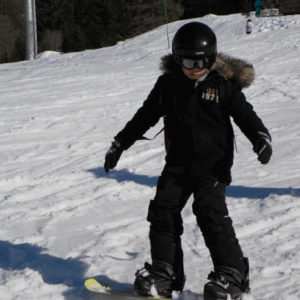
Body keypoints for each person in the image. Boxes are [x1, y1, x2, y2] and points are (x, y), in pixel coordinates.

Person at [104, 22, 272, 300]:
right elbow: (144, 117)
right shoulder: (167, 85)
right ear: (176, 57)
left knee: (210, 213)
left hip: (213, 165)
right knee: (163, 211)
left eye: (201, 61)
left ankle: (232, 274)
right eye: (186, 61)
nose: (194, 67)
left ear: (212, 58)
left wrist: (260, 138)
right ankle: (165, 273)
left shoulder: (223, 85)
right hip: (178, 163)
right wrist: (120, 143)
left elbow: (246, 115)